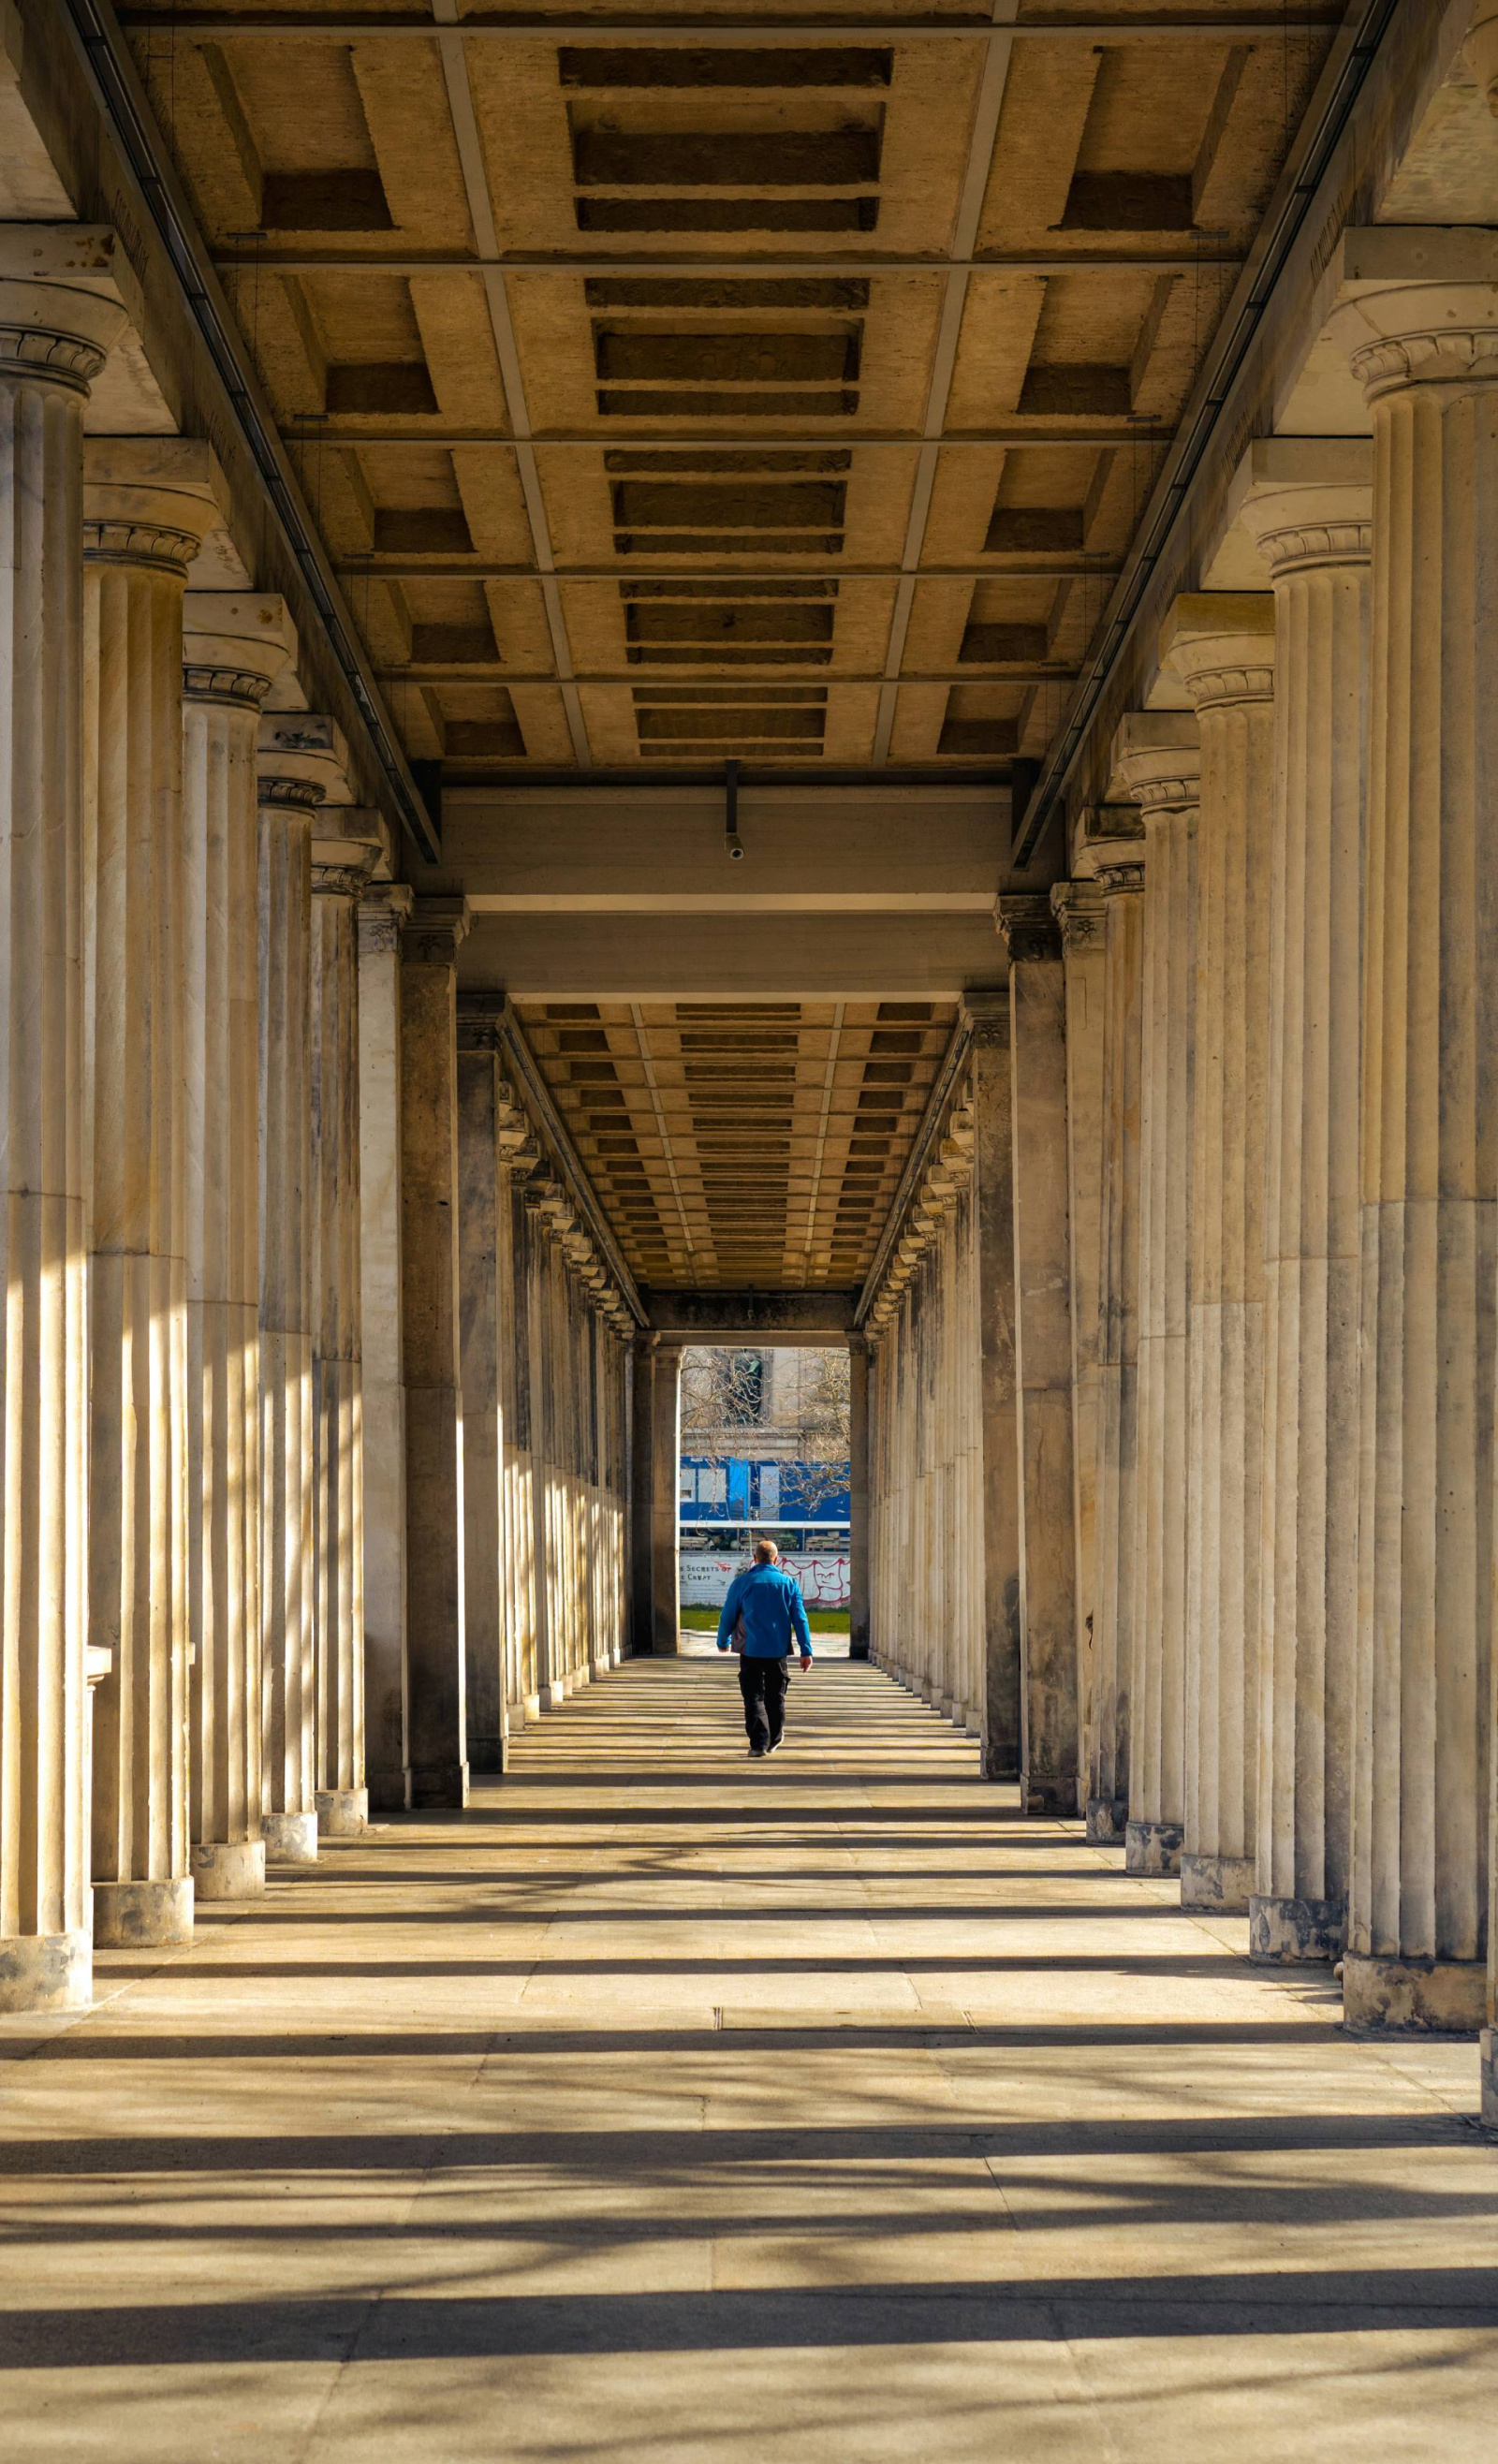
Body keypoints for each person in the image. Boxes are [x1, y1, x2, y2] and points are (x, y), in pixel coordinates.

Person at [716, 1538, 814, 1759]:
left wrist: (723, 1641)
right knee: (775, 1695)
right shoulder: (789, 1584)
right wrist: (806, 1651)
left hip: (750, 1650)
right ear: (776, 1559)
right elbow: (800, 1619)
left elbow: (727, 1616)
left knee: (753, 1697)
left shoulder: (742, 1583)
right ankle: (775, 1739)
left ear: (755, 1558)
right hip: (778, 1651)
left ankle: (758, 1743)